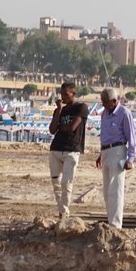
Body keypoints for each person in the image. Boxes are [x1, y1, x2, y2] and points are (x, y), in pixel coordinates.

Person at [94, 88, 136, 228]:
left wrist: (130, 159)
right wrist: (101, 154)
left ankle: (116, 224)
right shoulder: (104, 114)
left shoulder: (124, 113)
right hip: (106, 151)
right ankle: (110, 220)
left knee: (116, 189)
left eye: (106, 103)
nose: (104, 106)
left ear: (114, 101)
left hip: (118, 151)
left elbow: (132, 137)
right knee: (107, 190)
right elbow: (105, 135)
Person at [47, 82, 88, 218]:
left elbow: (72, 127)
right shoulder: (60, 110)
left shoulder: (81, 108)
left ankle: (64, 211)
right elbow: (52, 129)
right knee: (56, 182)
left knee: (67, 182)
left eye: (66, 94)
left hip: (72, 149)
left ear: (73, 94)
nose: (63, 97)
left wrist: (61, 127)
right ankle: (62, 211)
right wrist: (58, 110)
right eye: (62, 94)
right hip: (56, 148)